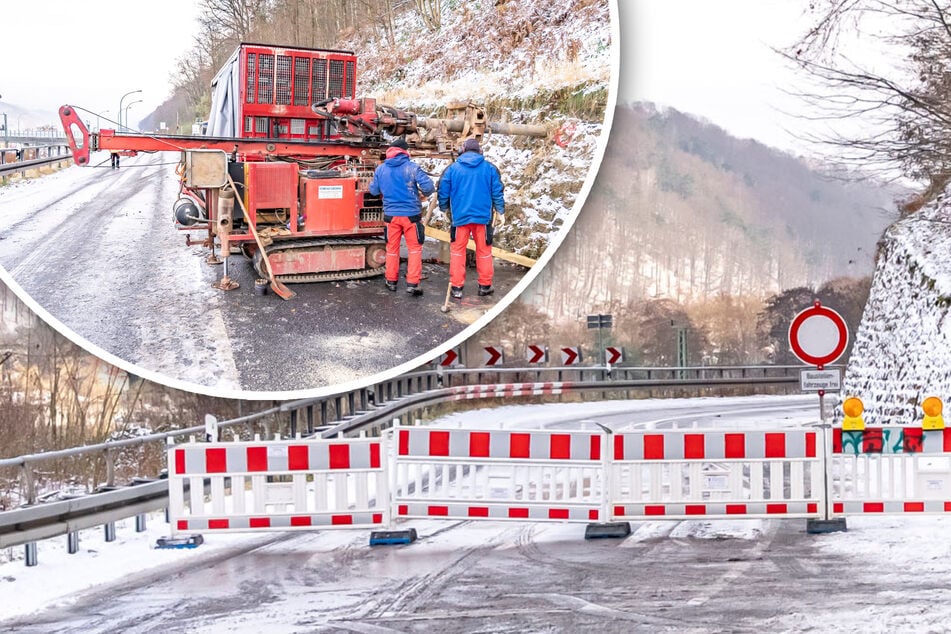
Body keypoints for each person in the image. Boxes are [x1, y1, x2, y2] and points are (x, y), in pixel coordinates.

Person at [437, 138, 505, 299]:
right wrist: (500, 211)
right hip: (483, 219)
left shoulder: (452, 169)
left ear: (463, 150)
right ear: (479, 151)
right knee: (484, 252)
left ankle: (457, 288)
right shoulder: (490, 168)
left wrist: (444, 208)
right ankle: (485, 286)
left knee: (457, 252)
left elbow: (443, 191)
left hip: (460, 219)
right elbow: (497, 192)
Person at [368, 138, 435, 296]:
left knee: (392, 249)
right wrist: (421, 194)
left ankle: (391, 281)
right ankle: (412, 284)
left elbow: (374, 191)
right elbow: (429, 187)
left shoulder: (381, 169)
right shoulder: (412, 167)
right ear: (405, 152)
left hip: (391, 216)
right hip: (411, 216)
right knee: (414, 250)